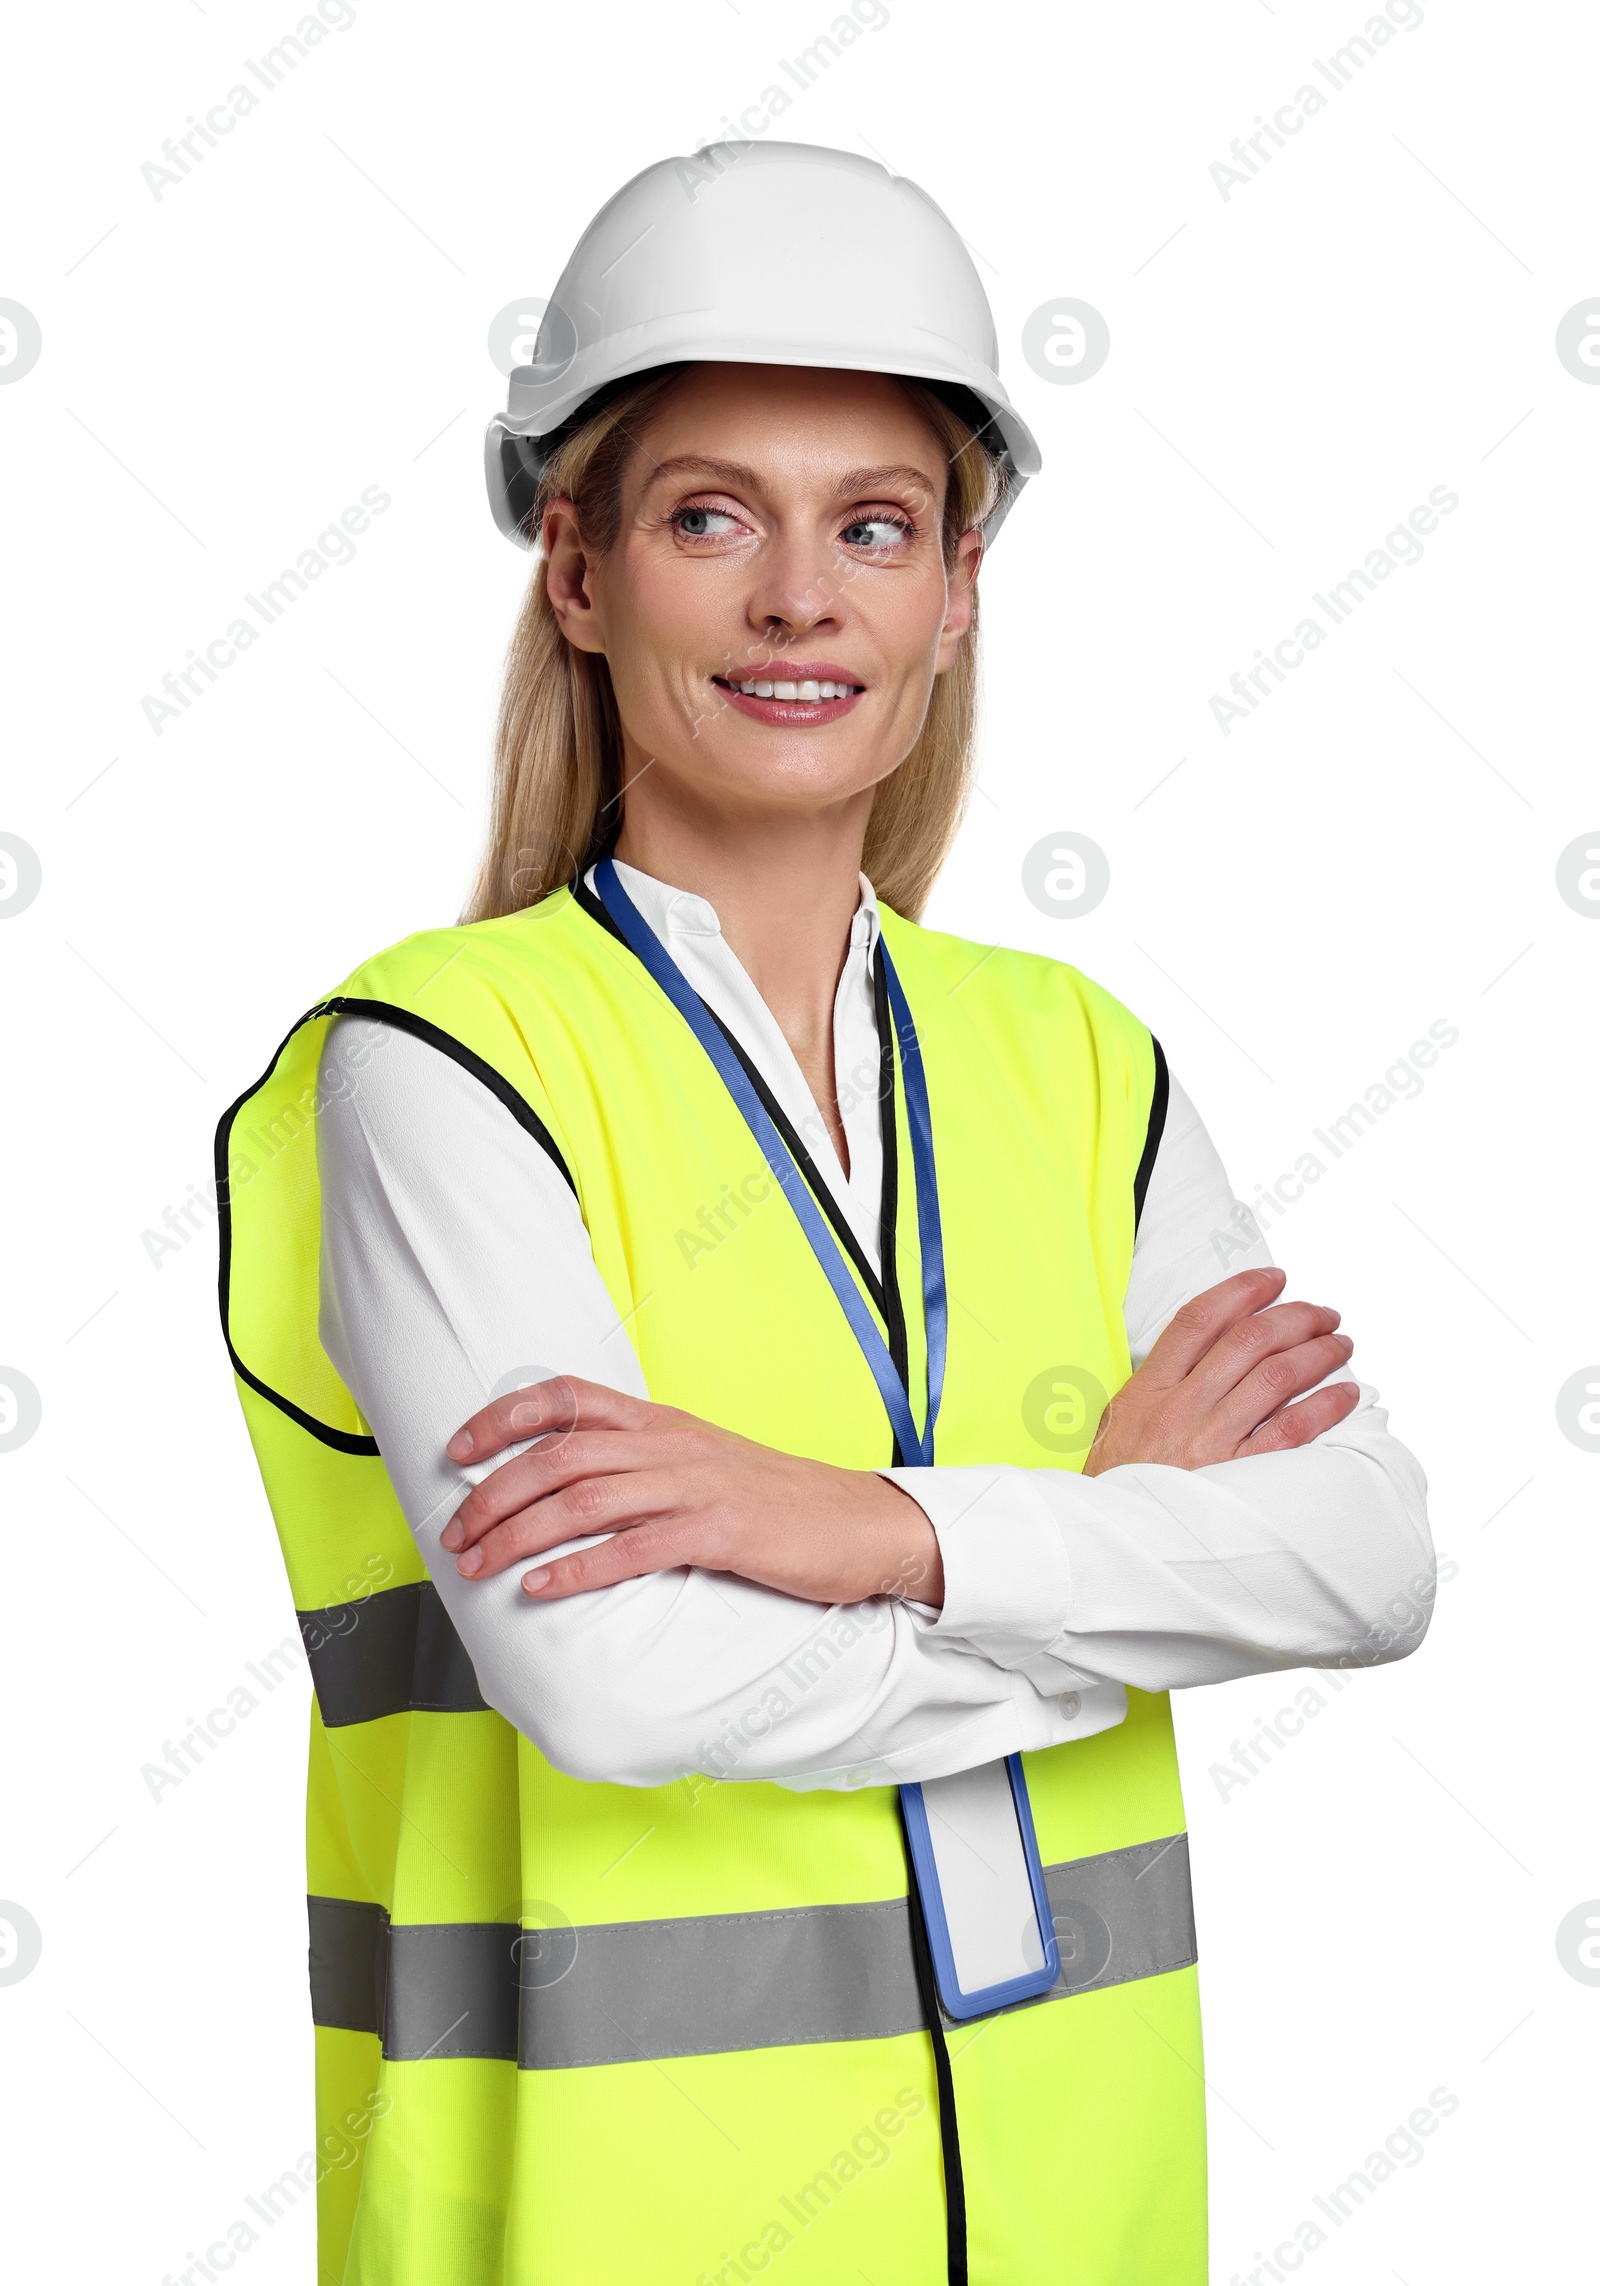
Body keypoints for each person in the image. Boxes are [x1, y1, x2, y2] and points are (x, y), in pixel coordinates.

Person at [216, 141, 1434, 2286]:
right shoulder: (441, 1063)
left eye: (871, 527)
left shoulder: (1071, 1059)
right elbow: (605, 1678)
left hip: (1083, 2226)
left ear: (954, 589)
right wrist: (1110, 1570)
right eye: (712, 519)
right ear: (577, 574)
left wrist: (876, 1533)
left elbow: (1362, 1557)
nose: (801, 603)